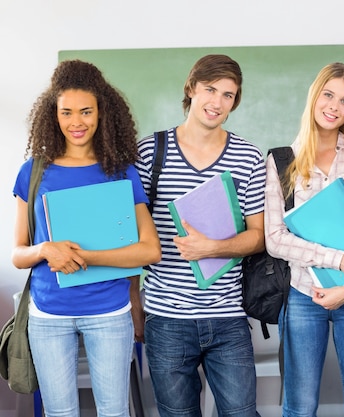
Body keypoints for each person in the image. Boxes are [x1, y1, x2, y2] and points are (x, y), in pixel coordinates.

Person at [11, 59, 161, 417]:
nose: (76, 122)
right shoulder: (33, 171)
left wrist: (85, 257)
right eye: (66, 113)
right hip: (49, 314)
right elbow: (18, 253)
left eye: (86, 112)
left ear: (101, 112)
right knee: (60, 412)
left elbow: (150, 250)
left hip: (110, 312)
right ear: (53, 114)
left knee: (114, 411)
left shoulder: (120, 171)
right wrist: (46, 249)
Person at [134, 54, 265, 417]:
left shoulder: (248, 156)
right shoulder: (150, 152)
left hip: (228, 317)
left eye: (228, 95)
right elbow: (132, 237)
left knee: (241, 413)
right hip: (166, 317)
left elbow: (260, 236)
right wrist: (134, 302)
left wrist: (215, 247)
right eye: (210, 90)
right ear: (191, 88)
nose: (217, 102)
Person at [264, 62, 344, 417]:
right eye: (328, 95)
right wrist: (338, 260)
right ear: (314, 97)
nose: (334, 107)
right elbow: (275, 239)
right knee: (300, 407)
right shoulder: (281, 161)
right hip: (304, 296)